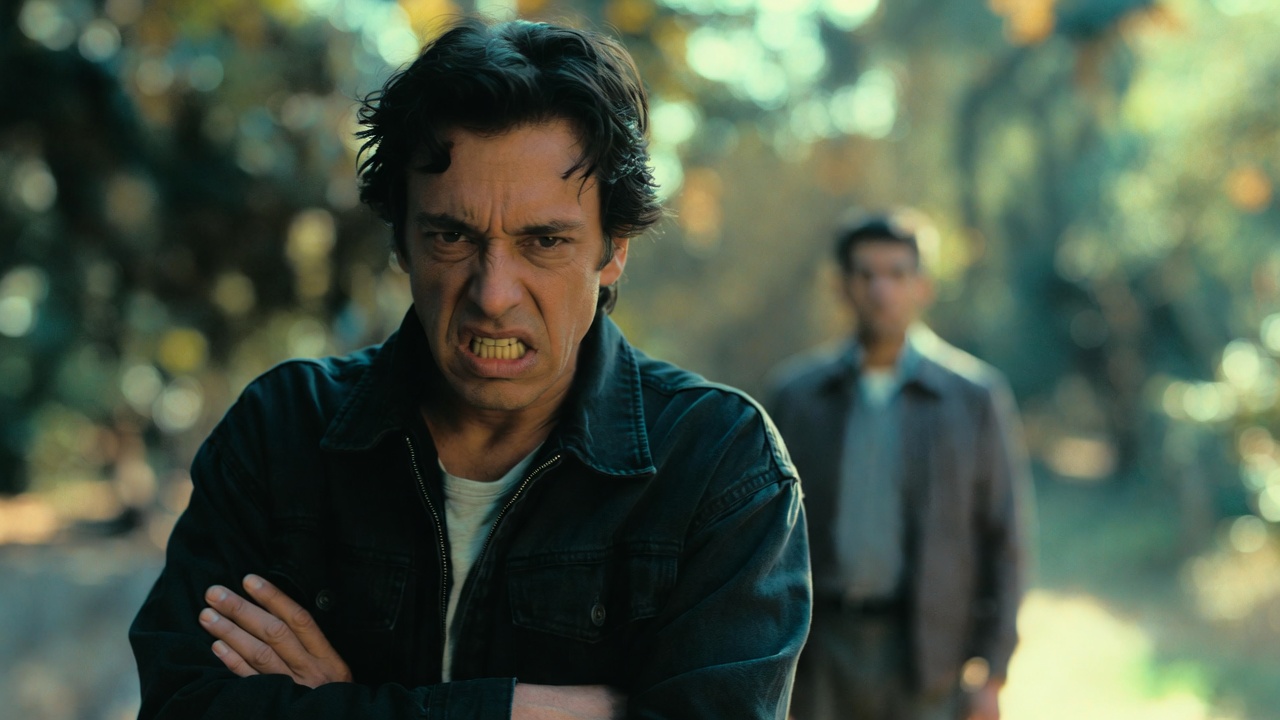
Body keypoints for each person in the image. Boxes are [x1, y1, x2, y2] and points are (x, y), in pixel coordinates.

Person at [130, 18, 810, 719]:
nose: (493, 294)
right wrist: (528, 711)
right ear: (402, 242)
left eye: (544, 242)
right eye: (451, 236)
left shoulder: (718, 465)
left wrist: (343, 705)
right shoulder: (282, 433)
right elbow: (185, 707)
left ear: (613, 252)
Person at [766, 209, 1033, 720]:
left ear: (922, 286)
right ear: (842, 287)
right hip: (820, 654)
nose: (881, 290)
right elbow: (763, 539)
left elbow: (1006, 538)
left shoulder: (972, 398)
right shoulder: (797, 397)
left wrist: (993, 673)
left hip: (929, 655)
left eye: (896, 274)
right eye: (865, 275)